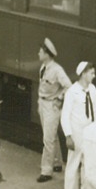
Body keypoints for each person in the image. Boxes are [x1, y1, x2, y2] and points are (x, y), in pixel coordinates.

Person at [61, 60, 96, 189]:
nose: (94, 76)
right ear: (83, 74)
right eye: (91, 73)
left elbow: (94, 110)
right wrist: (68, 135)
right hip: (76, 132)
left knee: (88, 163)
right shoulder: (72, 92)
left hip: (89, 132)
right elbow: (65, 115)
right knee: (73, 163)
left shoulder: (92, 89)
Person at [35, 38, 69, 181]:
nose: (38, 53)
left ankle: (46, 171)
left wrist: (60, 99)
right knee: (51, 135)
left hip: (51, 106)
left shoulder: (57, 70)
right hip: (43, 103)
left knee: (48, 139)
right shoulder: (43, 67)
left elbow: (69, 86)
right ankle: (57, 163)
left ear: (47, 54)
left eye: (41, 52)